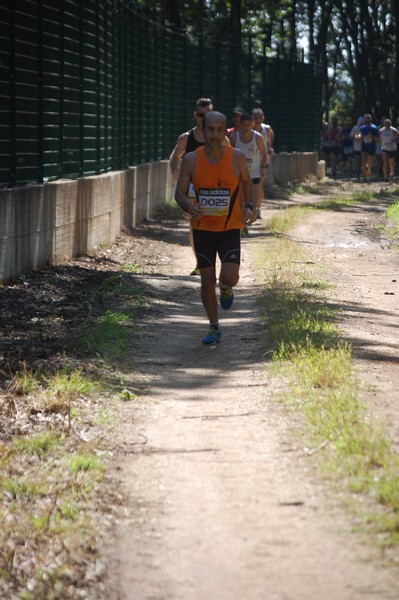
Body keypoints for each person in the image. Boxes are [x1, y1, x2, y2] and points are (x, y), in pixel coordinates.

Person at [174, 111, 254, 345]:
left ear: (225, 130)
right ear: (203, 128)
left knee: (228, 277)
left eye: (220, 130)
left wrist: (248, 206)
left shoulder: (236, 157)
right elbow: (179, 193)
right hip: (202, 229)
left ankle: (226, 287)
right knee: (207, 279)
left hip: (229, 227)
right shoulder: (191, 159)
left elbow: (246, 182)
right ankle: (214, 326)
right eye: (211, 129)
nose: (215, 135)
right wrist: (189, 205)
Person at [169, 98, 213, 275]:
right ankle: (201, 263)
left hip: (216, 188)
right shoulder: (186, 138)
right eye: (202, 115)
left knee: (213, 223)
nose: (205, 118)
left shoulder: (219, 138)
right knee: (195, 223)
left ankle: (209, 260)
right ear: (196, 115)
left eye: (209, 115)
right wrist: (174, 169)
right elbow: (174, 156)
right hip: (194, 188)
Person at [229, 112, 268, 223]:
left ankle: (252, 215)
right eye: (244, 125)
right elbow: (229, 154)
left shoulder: (258, 137)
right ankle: (243, 223)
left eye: (248, 125)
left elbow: (264, 153)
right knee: (242, 198)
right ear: (240, 124)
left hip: (254, 171)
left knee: (254, 199)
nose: (246, 128)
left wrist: (262, 167)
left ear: (252, 124)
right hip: (240, 173)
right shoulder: (234, 137)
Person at [252, 107, 273, 218]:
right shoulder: (248, 128)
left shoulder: (267, 128)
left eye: (260, 118)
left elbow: (269, 140)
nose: (258, 120)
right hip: (250, 158)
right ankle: (251, 207)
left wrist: (269, 148)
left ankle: (257, 208)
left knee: (259, 184)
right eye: (256, 118)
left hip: (263, 159)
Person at [357, 113, 379, 182]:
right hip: (364, 147)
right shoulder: (362, 128)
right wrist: (358, 137)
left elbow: (377, 138)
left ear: (371, 119)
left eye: (368, 118)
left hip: (372, 147)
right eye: (365, 118)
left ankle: (367, 168)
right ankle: (364, 177)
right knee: (364, 161)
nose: (367, 119)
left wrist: (373, 137)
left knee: (369, 164)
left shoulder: (374, 128)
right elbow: (360, 135)